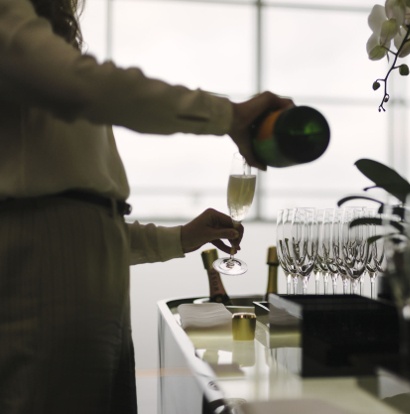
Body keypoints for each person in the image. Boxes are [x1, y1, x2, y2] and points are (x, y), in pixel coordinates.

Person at [0, 0, 293, 413]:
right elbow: (85, 89)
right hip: (47, 285)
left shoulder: (36, 66)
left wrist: (179, 239)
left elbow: (85, 222)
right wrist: (228, 116)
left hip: (92, 289)